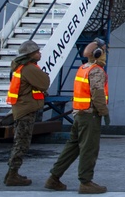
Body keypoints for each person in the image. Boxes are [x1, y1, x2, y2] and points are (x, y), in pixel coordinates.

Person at [45, 39, 109, 194]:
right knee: (89, 148)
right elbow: (98, 93)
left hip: (79, 113)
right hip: (90, 115)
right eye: (104, 52)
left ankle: (53, 177)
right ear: (98, 53)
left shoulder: (83, 68)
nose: (105, 55)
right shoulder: (96, 70)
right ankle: (86, 182)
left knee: (72, 147)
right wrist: (104, 112)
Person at [4, 40, 50, 186]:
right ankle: (12, 175)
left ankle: (12, 174)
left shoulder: (20, 68)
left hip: (22, 108)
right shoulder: (29, 69)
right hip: (26, 110)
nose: (39, 54)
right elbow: (44, 83)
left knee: (20, 141)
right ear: (30, 55)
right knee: (22, 143)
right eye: (37, 52)